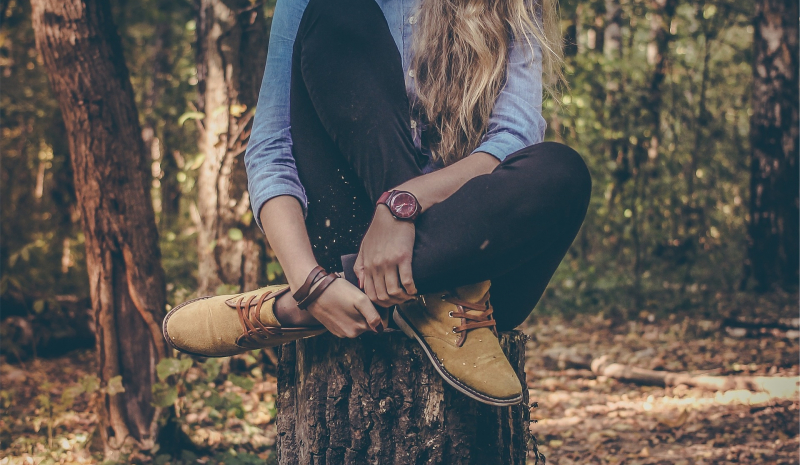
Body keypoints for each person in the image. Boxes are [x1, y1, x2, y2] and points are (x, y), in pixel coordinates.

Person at [163, 0, 591, 406]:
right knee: (337, 12)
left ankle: (293, 311)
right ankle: (401, 294)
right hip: (355, 230)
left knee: (561, 170)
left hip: (472, 263)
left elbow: (512, 137)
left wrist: (400, 206)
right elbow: (273, 150)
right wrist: (306, 276)